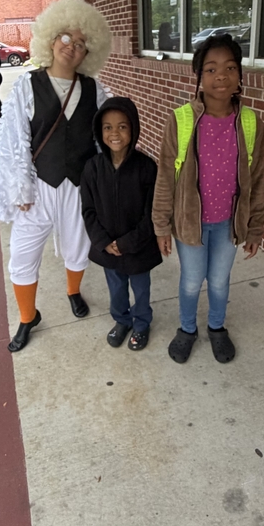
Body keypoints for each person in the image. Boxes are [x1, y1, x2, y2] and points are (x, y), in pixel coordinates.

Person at [0, 0, 112, 352]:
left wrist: (104, 185)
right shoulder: (28, 84)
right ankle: (27, 317)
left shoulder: (93, 89)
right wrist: (20, 187)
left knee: (78, 245)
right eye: (66, 39)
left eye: (81, 43)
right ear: (51, 40)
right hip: (38, 187)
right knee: (23, 255)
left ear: (90, 51)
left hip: (78, 186)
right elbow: (13, 141)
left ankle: (73, 291)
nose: (72, 47)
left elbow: (104, 139)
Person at [152, 33, 264, 364]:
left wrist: (255, 227)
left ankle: (216, 327)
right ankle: (187, 329)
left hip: (228, 224)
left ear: (240, 76)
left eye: (230, 68)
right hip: (190, 224)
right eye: (212, 69)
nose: (222, 76)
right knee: (191, 282)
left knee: (218, 280)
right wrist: (161, 224)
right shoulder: (182, 120)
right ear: (199, 77)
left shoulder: (250, 123)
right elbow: (165, 176)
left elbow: (256, 180)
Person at [80, 97, 162, 351]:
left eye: (122, 126)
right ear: (99, 131)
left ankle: (141, 324)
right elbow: (88, 210)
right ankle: (121, 320)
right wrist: (104, 242)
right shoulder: (92, 168)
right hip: (108, 250)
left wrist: (127, 243)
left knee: (141, 289)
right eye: (107, 127)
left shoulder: (146, 167)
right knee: (116, 290)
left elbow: (152, 213)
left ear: (134, 128)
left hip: (138, 248)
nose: (115, 133)